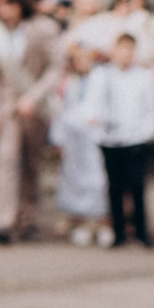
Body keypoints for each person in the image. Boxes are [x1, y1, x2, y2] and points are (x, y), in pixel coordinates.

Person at [0, 0, 54, 243]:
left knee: (32, 164)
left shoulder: (42, 29)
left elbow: (56, 67)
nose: (3, 10)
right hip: (8, 108)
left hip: (35, 105)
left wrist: (34, 96)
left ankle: (28, 219)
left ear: (20, 5)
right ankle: (3, 222)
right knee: (6, 160)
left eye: (8, 4)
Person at [83, 33, 154, 248]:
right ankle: (118, 231)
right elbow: (92, 103)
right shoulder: (103, 75)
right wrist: (95, 125)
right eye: (122, 49)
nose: (126, 54)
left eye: (130, 49)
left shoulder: (143, 77)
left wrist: (147, 134)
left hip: (135, 138)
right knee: (114, 187)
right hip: (110, 138)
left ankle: (142, 231)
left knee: (137, 186)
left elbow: (151, 109)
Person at [49, 42, 110, 245]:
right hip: (73, 138)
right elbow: (60, 109)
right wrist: (58, 138)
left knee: (99, 181)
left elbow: (107, 105)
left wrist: (100, 118)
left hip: (95, 137)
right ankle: (80, 222)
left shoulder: (102, 77)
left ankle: (101, 224)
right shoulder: (69, 82)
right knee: (74, 180)